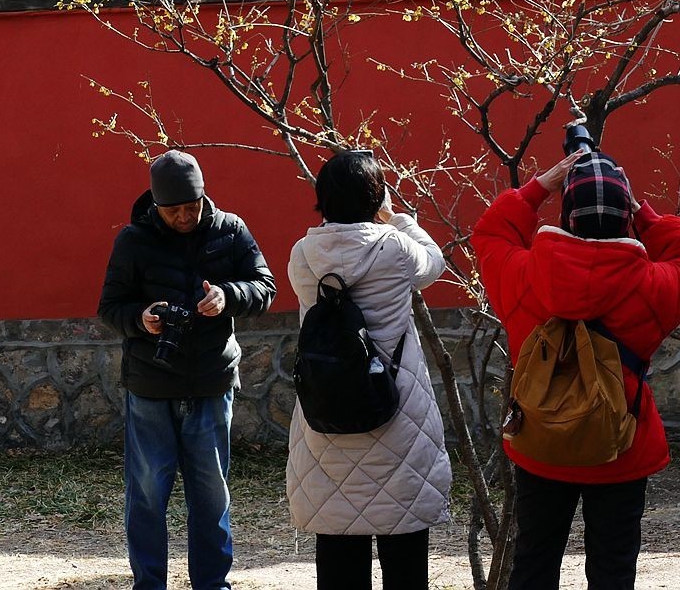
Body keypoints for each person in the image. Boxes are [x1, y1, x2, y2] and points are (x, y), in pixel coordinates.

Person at [472, 148, 680, 590]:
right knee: (613, 570)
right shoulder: (656, 287)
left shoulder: (522, 274)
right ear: (625, 217)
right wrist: (646, 213)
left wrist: (543, 182)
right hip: (620, 443)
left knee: (534, 562)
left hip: (541, 442)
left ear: (567, 216)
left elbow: (490, 231)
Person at [98, 149, 277, 590]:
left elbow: (265, 287)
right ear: (156, 205)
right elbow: (110, 307)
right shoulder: (133, 240)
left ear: (204, 196)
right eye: (174, 209)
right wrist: (142, 318)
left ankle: (213, 584)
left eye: (192, 206)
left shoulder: (231, 229)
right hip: (150, 384)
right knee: (146, 495)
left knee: (211, 494)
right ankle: (149, 584)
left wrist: (228, 296)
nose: (184, 216)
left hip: (212, 380)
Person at [285, 150, 451, 590]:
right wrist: (396, 218)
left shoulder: (302, 256)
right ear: (375, 196)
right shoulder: (393, 248)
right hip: (395, 417)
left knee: (338, 555)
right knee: (405, 563)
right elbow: (434, 262)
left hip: (327, 418)